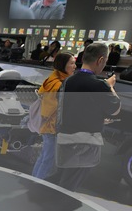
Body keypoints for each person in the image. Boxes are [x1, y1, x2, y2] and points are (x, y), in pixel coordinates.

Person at [55, 43, 120, 191]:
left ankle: (53, 208)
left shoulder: (67, 81)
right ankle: (55, 210)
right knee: (70, 184)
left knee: (63, 179)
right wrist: (109, 86)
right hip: (85, 143)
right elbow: (115, 109)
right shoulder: (99, 85)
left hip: (64, 139)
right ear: (100, 60)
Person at [31, 53, 76, 181]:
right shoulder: (58, 84)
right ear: (63, 65)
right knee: (48, 159)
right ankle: (37, 185)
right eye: (71, 63)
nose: (74, 66)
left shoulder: (52, 79)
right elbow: (49, 109)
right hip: (52, 127)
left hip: (49, 126)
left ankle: (33, 181)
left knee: (45, 156)